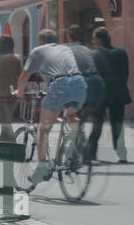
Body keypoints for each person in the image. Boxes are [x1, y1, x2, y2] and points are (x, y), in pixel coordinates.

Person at [17, 28, 86, 187]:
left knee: (44, 128)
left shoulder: (38, 51)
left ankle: (42, 167)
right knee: (71, 116)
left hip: (60, 85)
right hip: (80, 84)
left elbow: (24, 75)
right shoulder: (65, 48)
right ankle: (72, 150)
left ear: (41, 40)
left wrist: (19, 92)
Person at [89, 26, 131, 163]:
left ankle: (91, 153)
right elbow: (125, 74)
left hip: (100, 93)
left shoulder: (93, 54)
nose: (92, 40)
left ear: (98, 40)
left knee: (97, 123)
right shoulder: (121, 52)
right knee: (118, 124)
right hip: (119, 92)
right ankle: (121, 153)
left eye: (94, 38)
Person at [66, 24, 105, 137]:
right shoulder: (88, 50)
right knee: (88, 114)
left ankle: (78, 139)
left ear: (68, 37)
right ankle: (84, 143)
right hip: (97, 84)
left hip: (82, 84)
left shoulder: (66, 50)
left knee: (71, 115)